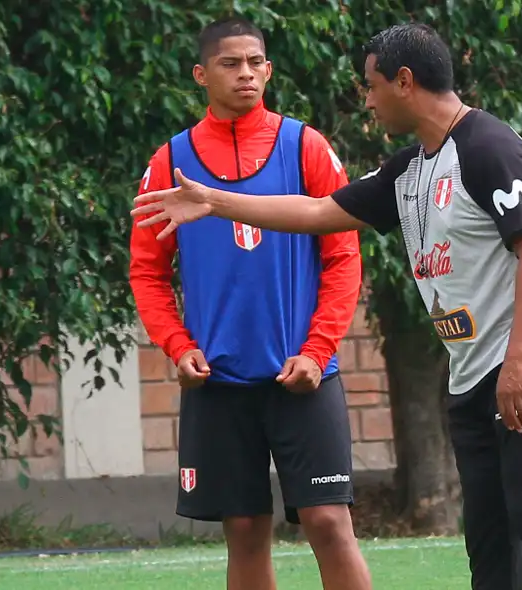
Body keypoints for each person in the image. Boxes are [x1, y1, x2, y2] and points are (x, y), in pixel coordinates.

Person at [131, 21, 522, 590]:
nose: (367, 100)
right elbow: (317, 213)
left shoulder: (490, 147)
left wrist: (520, 358)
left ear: (404, 82)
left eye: (372, 86)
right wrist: (214, 201)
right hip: (475, 368)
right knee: (490, 529)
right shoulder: (410, 169)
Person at [128, 16, 372, 590]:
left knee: (329, 521)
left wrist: (317, 351)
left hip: (304, 376)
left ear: (268, 68)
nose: (246, 74)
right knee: (242, 527)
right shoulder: (169, 162)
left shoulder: (306, 146)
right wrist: (178, 346)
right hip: (218, 383)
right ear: (200, 74)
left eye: (255, 62)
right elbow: (148, 271)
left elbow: (343, 259)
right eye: (229, 63)